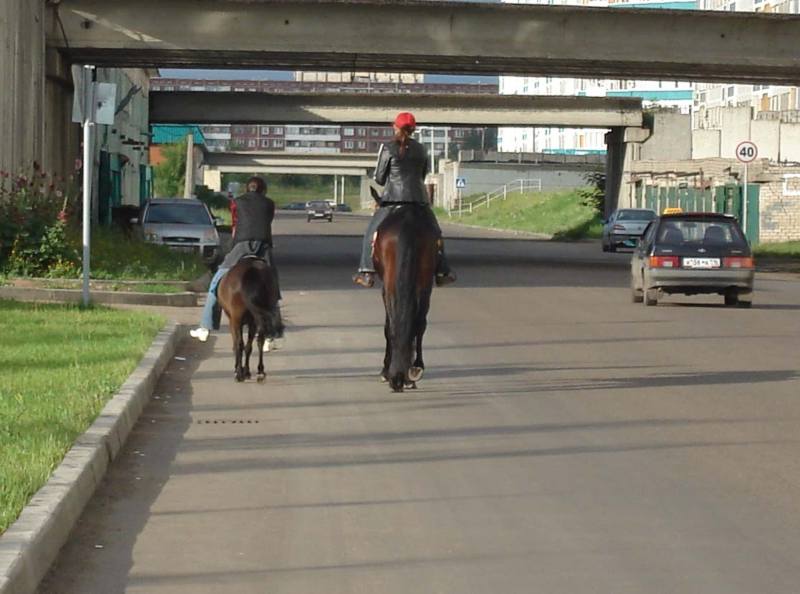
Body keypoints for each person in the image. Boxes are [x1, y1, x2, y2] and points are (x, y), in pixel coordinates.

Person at [353, 112, 456, 288]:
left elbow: (379, 178)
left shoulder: (387, 147)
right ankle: (442, 271)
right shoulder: (422, 149)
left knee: (370, 233)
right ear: (413, 130)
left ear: (396, 127)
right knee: (436, 234)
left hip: (392, 201)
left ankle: (366, 272)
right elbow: (422, 175)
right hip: (419, 201)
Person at [190, 176, 282, 342]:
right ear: (263, 190)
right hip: (263, 246)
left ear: (247, 189)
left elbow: (235, 224)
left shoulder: (236, 202)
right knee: (273, 287)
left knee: (217, 281)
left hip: (241, 245)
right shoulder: (269, 203)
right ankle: (273, 334)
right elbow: (268, 221)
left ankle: (205, 326)